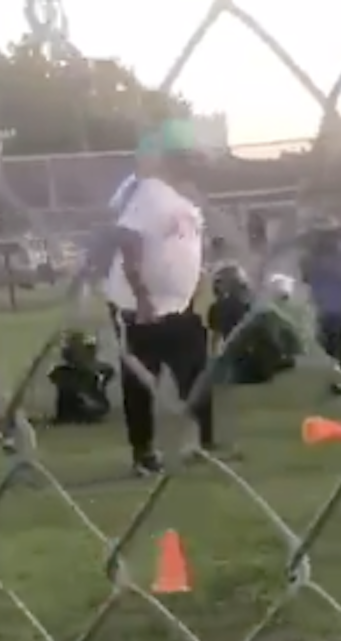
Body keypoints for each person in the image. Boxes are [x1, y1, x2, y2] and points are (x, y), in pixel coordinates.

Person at [107, 119, 216, 475]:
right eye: (189, 158)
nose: (196, 165)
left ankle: (203, 444)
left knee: (197, 374)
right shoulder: (149, 192)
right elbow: (129, 241)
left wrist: (195, 284)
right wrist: (142, 296)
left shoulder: (184, 200)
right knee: (141, 382)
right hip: (142, 309)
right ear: (172, 160)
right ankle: (143, 454)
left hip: (180, 307)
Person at [301, 221, 341, 392]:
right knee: (330, 344)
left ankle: (340, 378)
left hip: (336, 306)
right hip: (325, 306)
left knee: (335, 344)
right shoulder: (311, 258)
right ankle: (340, 376)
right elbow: (307, 277)